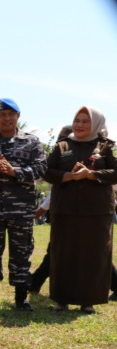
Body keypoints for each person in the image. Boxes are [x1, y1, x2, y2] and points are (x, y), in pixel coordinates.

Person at [43, 106, 117, 313]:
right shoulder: (62, 145)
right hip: (64, 209)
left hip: (97, 211)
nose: (80, 125)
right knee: (63, 254)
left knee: (94, 254)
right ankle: (61, 299)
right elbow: (47, 171)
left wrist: (91, 174)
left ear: (96, 123)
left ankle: (88, 300)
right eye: (77, 120)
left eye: (86, 121)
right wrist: (69, 176)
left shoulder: (107, 146)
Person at [0, 98, 47, 311]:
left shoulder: (32, 142)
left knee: (21, 252)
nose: (6, 118)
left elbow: (42, 169)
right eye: (1, 115)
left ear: (18, 116)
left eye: (10, 114)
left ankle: (20, 298)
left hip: (21, 209)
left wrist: (14, 171)